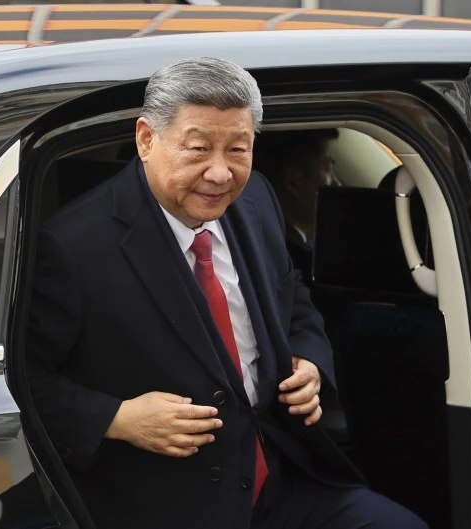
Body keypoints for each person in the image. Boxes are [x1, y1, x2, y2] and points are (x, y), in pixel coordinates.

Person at [26, 57, 427, 529]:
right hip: (167, 500)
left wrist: (309, 362)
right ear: (146, 139)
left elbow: (292, 295)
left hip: (280, 474)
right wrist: (118, 418)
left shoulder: (255, 199)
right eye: (198, 148)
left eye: (238, 149)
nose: (220, 173)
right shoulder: (73, 245)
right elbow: (25, 376)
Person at [253, 129, 338, 284]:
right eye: (328, 169)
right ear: (293, 181)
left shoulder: (260, 239)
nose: (336, 184)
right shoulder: (301, 265)